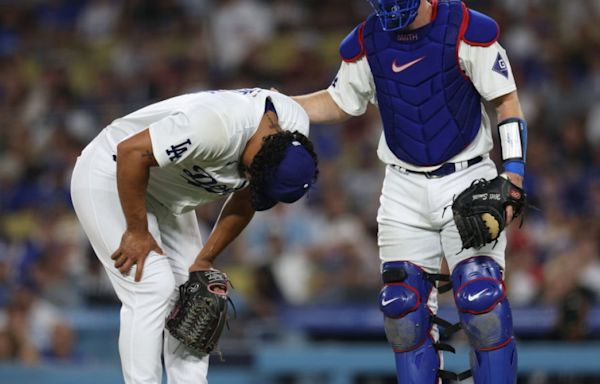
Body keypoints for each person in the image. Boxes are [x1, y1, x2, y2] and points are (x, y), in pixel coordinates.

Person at [293, 0, 527, 383]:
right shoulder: (368, 39)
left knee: (482, 300)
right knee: (402, 309)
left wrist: (514, 174)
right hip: (403, 186)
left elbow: (506, 101)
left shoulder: (467, 27)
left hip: (467, 178)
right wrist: (281, 104)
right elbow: (339, 101)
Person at [70, 88, 318, 384]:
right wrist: (137, 230)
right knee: (152, 285)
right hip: (111, 170)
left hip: (167, 192)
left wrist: (205, 259)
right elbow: (131, 152)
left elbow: (244, 200)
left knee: (199, 294)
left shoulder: (290, 136)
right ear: (261, 151)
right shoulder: (217, 124)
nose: (255, 186)